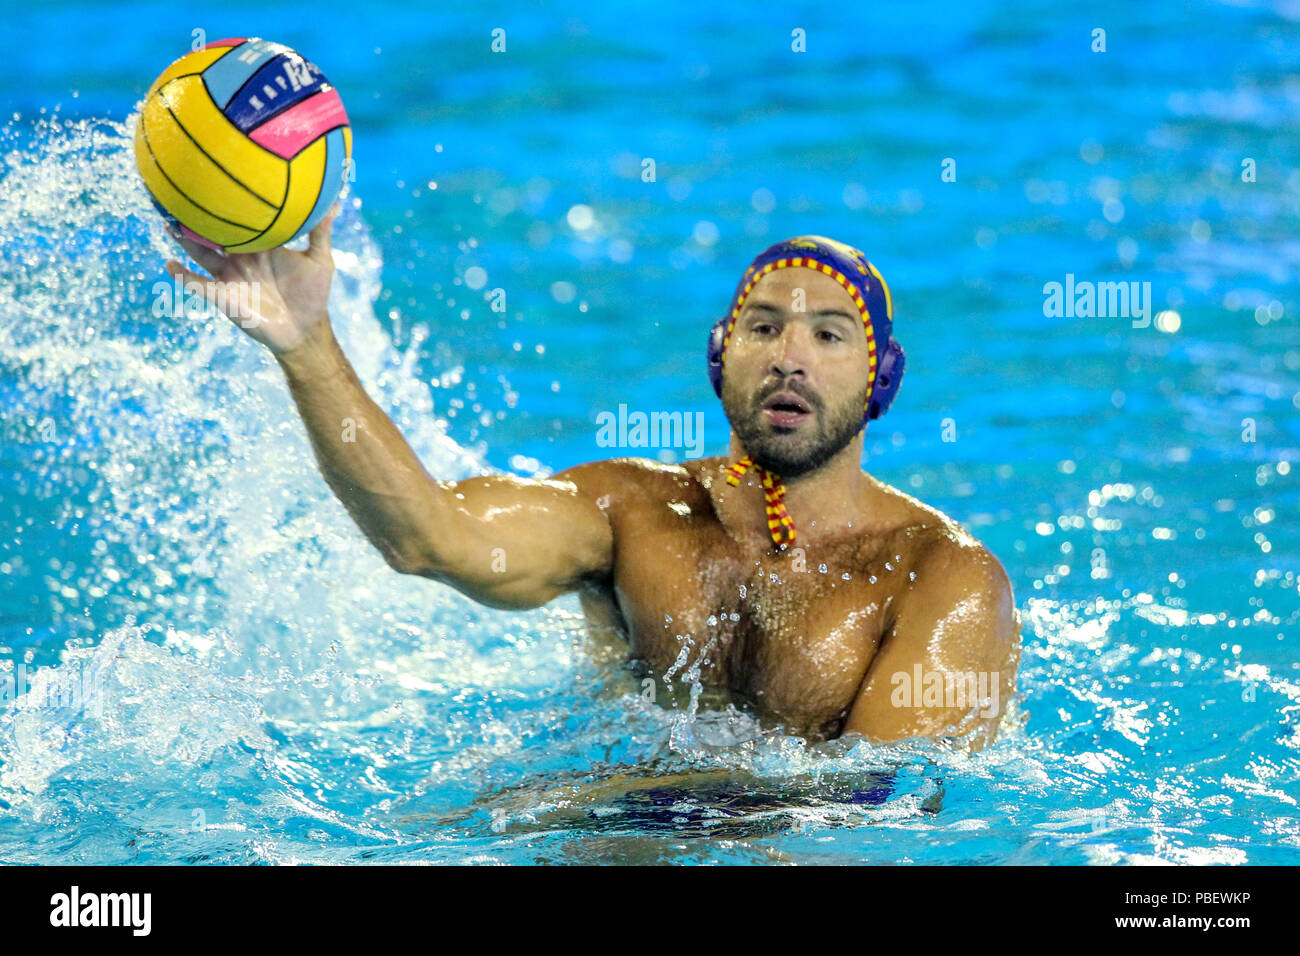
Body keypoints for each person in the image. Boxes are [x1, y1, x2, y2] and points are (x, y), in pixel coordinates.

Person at [165, 214, 1021, 747]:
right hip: (603, 830)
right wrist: (306, 343)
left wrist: (652, 814)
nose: (790, 357)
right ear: (722, 355)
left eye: (831, 337)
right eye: (766, 327)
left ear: (882, 381)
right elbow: (427, 539)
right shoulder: (629, 511)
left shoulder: (942, 578)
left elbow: (882, 823)